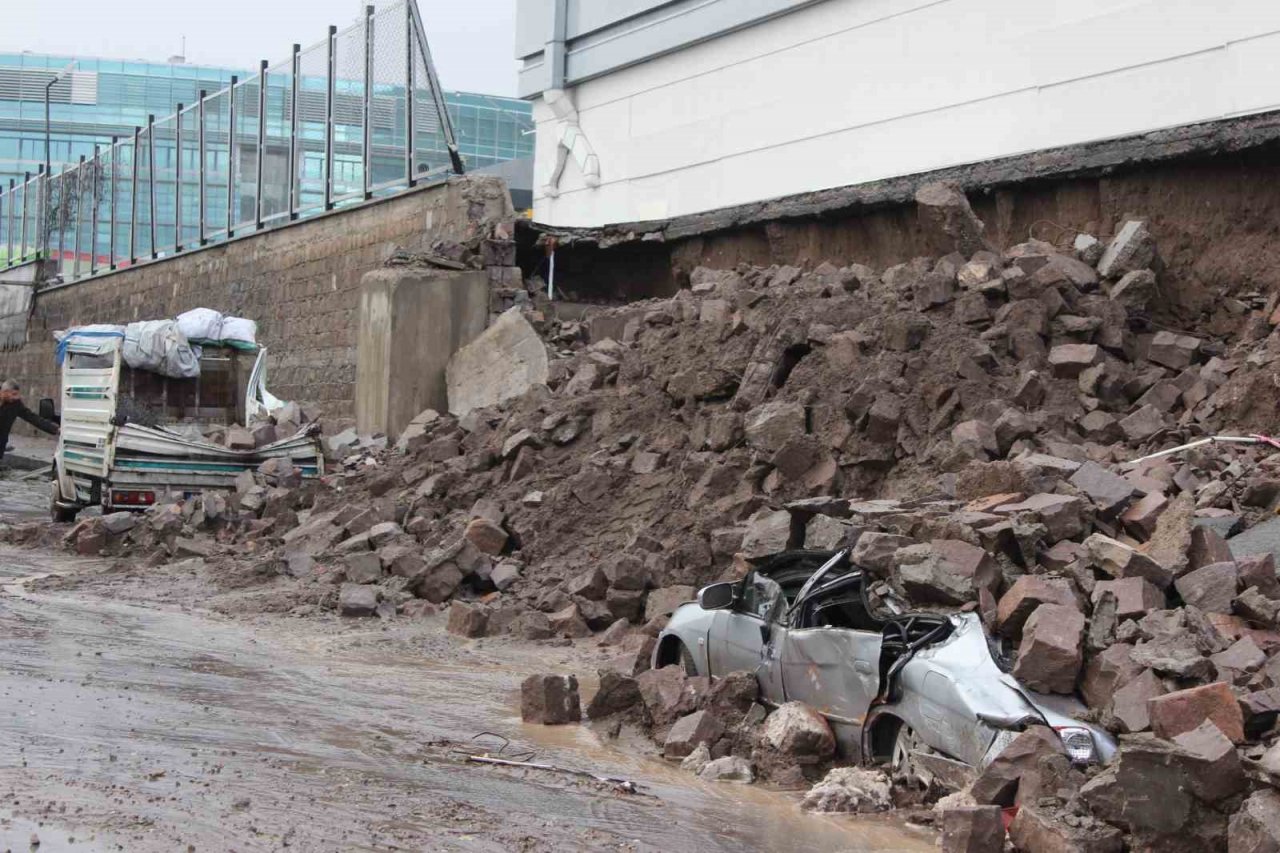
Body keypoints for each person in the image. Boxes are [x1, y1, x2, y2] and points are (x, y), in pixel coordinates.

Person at [0, 379, 59, 464]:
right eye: (14, 394)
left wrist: (55, 429)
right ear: (4, 392)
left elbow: (32, 418)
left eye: (17, 394)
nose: (17, 397)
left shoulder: (15, 404)